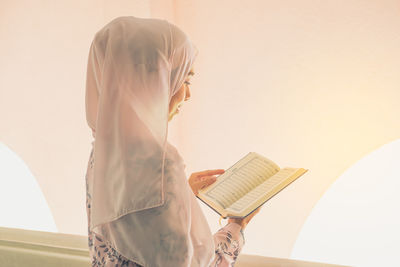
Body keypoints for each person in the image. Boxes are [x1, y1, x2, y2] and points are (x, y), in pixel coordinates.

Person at [84, 16, 261, 267]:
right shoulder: (161, 164)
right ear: (153, 81)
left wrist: (181, 196)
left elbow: (133, 238)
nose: (187, 95)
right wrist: (236, 227)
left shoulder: (102, 151)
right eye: (183, 79)